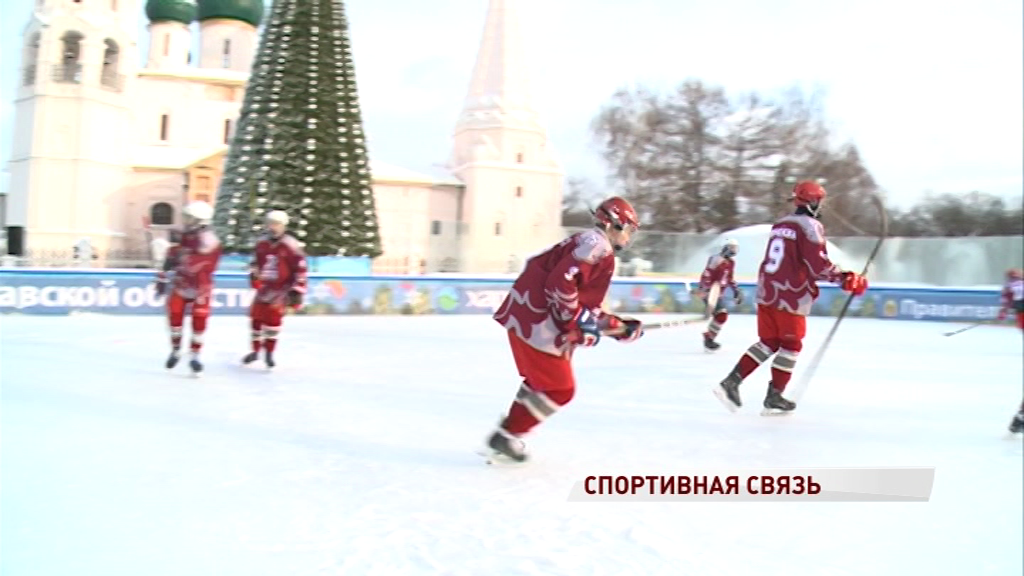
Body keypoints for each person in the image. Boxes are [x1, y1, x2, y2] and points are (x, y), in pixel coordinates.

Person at [485, 197, 645, 462]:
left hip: (528, 321)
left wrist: (618, 327)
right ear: (613, 224)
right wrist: (578, 321)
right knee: (561, 389)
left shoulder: (586, 242)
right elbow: (561, 284)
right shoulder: (597, 247)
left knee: (541, 384)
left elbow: (582, 305)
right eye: (627, 229)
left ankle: (508, 433)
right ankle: (508, 435)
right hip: (538, 328)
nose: (628, 237)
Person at [713, 180, 868, 415]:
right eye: (820, 200)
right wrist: (846, 279)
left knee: (769, 342)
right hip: (790, 295)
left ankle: (732, 381)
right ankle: (774, 395)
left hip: (768, 291)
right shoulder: (810, 226)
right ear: (813, 201)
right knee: (791, 344)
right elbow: (818, 266)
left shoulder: (780, 224)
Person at [155, 201, 222, 375]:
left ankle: (195, 354)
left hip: (201, 287)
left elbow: (195, 264)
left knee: (199, 321)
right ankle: (176, 349)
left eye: (189, 218)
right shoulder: (185, 236)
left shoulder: (210, 240)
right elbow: (173, 257)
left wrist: (179, 254)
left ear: (200, 220)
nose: (185, 221)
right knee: (174, 316)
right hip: (181, 283)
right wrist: (164, 269)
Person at [244, 210, 308, 369]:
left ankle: (269, 353)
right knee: (256, 320)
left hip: (281, 290)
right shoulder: (261, 243)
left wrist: (297, 290)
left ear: (283, 225)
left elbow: (300, 268)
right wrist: (254, 274)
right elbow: (256, 263)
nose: (273, 227)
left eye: (277, 224)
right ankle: (255, 351)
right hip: (264, 288)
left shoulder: (291, 244)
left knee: (273, 322)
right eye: (270, 224)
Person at [695, 238, 743, 352]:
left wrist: (736, 290)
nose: (733, 250)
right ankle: (709, 338)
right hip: (710, 293)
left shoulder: (731, 263)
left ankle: (709, 337)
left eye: (735, 248)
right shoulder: (716, 259)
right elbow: (707, 274)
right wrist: (706, 289)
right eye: (731, 247)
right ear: (724, 247)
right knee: (722, 315)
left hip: (718, 294)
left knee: (721, 316)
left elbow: (730, 278)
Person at [999, 268, 1023, 433]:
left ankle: (1020, 419)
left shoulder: (1009, 287)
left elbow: (1006, 302)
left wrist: (1003, 311)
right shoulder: (1015, 286)